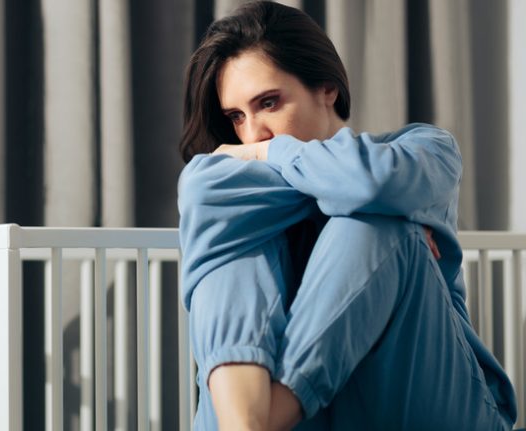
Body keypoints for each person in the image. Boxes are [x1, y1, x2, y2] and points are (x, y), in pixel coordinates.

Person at [176, 1, 517, 430]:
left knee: (376, 220)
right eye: (236, 117)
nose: (252, 133)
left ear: (326, 88)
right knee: (234, 234)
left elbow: (375, 184)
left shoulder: (420, 150)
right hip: (324, 414)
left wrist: (272, 153)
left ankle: (265, 418)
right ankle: (244, 422)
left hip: (434, 404)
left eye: (269, 102)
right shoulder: (233, 189)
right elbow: (201, 184)